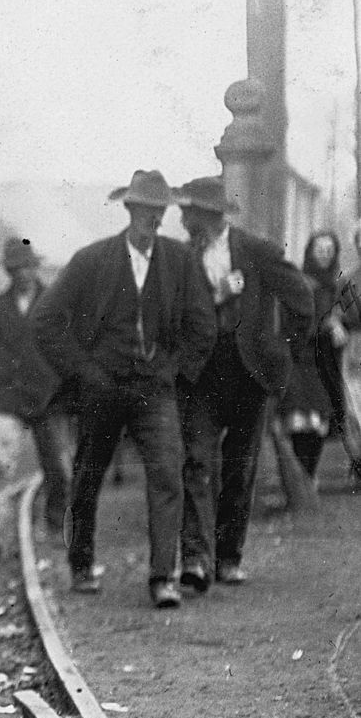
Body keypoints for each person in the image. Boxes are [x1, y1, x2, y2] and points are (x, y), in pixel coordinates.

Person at [32, 169, 216, 609]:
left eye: (159, 213)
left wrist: (176, 370)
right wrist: (81, 369)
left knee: (168, 473)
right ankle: (81, 564)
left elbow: (203, 324)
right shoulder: (92, 260)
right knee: (88, 474)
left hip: (156, 390)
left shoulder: (179, 262)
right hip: (103, 386)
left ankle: (163, 578)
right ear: (130, 211)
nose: (152, 221)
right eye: (145, 212)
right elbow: (45, 319)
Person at [175, 176, 312, 590]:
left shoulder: (255, 250)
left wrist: (283, 351)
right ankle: (197, 559)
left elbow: (301, 299)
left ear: (209, 216)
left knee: (240, 467)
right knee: (196, 461)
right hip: (201, 376)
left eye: (190, 213)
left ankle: (229, 557)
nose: (183, 220)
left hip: (249, 376)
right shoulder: (183, 258)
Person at [0, 237, 70, 562]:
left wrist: (74, 393)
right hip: (7, 397)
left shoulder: (55, 302)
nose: (24, 273)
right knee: (0, 469)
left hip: (48, 397)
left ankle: (55, 525)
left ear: (36, 268)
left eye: (29, 266)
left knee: (60, 469)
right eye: (17, 268)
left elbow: (69, 349)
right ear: (9, 272)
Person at [278, 230, 361, 480]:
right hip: (303, 359)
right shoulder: (301, 282)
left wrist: (338, 322)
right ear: (310, 252)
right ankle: (303, 481)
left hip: (328, 361)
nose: (324, 255)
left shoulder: (339, 284)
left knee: (320, 424)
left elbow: (345, 313)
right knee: (302, 422)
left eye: (329, 250)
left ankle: (310, 477)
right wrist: (327, 325)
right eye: (319, 249)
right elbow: (296, 321)